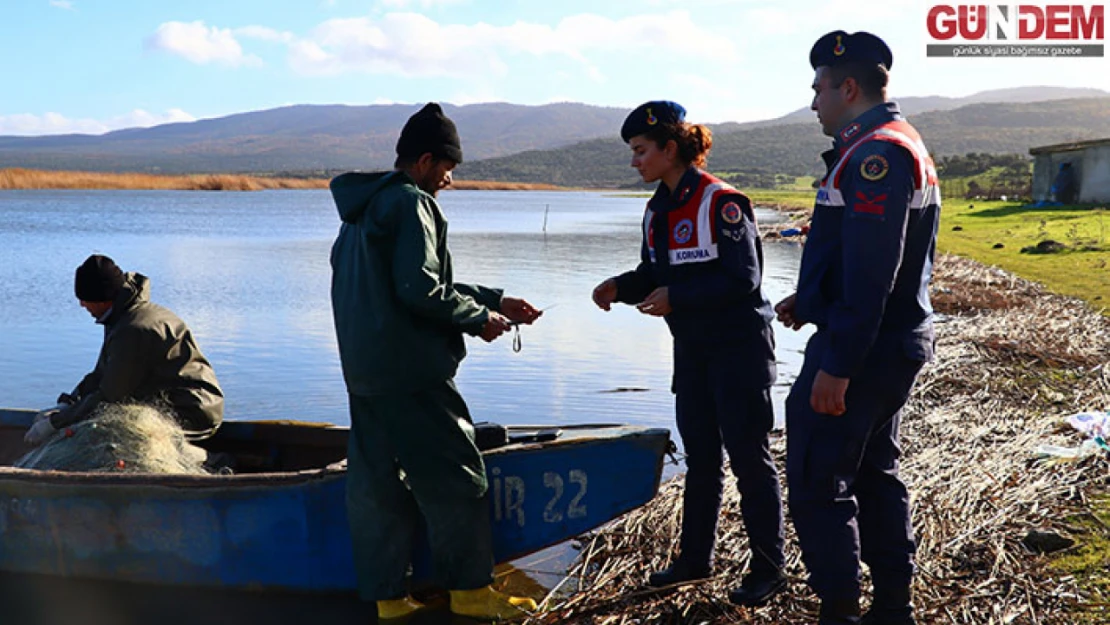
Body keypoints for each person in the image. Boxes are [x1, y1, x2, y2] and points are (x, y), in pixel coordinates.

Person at [329, 102, 543, 622]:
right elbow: (420, 290)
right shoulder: (410, 204)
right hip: (412, 374)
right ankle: (470, 593)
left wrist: (493, 299)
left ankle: (389, 599)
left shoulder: (361, 213)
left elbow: (406, 285)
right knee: (458, 477)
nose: (448, 180)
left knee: (377, 487)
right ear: (425, 160)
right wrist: (479, 319)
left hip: (366, 374)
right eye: (448, 169)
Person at [774, 31, 941, 625]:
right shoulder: (885, 144)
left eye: (819, 87)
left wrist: (837, 364)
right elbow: (863, 261)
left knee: (821, 478)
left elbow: (874, 273)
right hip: (881, 339)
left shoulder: (879, 153)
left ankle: (840, 609)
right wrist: (812, 296)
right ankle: (893, 606)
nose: (813, 100)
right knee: (872, 472)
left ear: (848, 87)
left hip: (865, 349)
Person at [592, 101, 787, 607]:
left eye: (640, 151)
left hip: (740, 350)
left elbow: (742, 279)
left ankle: (769, 569)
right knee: (701, 461)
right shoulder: (657, 209)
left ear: (669, 150)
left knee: (750, 461)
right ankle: (694, 561)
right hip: (693, 354)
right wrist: (619, 284)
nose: (634, 161)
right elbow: (655, 273)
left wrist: (676, 298)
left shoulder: (722, 201)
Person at [26, 254, 224, 445]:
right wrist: (68, 403)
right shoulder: (123, 316)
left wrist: (56, 423)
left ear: (102, 299)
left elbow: (109, 396)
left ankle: (204, 460)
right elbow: (101, 375)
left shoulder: (134, 331)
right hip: (170, 400)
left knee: (118, 430)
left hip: (192, 411)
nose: (81, 304)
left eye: (85, 299)